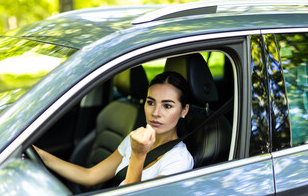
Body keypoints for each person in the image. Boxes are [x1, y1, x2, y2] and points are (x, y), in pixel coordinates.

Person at [34, 71, 194, 187]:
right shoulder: (137, 138)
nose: (156, 113)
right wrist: (39, 154)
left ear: (184, 110)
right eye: (151, 102)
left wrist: (138, 155)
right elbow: (90, 175)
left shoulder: (179, 161)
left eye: (167, 106)